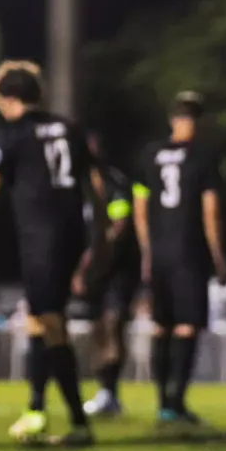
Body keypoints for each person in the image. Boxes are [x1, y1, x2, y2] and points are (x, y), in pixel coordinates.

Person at [0, 60, 101, 447]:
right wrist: (96, 238)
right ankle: (37, 411)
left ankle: (74, 422)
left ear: (10, 97)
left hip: (42, 235)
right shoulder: (68, 128)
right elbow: (94, 186)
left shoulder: (13, 132)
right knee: (39, 322)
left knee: (50, 324)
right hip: (70, 233)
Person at [132, 91, 226, 427]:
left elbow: (139, 207)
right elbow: (209, 210)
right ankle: (176, 402)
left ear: (172, 119)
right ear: (198, 121)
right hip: (190, 251)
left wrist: (146, 250)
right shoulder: (202, 157)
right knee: (187, 326)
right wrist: (218, 256)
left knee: (161, 325)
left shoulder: (149, 154)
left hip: (159, 252)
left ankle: (163, 403)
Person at [81, 132, 140, 418]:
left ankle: (110, 392)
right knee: (98, 329)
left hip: (118, 268)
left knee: (113, 323)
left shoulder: (115, 182)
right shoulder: (76, 186)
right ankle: (104, 389)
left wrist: (97, 254)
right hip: (90, 272)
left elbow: (120, 224)